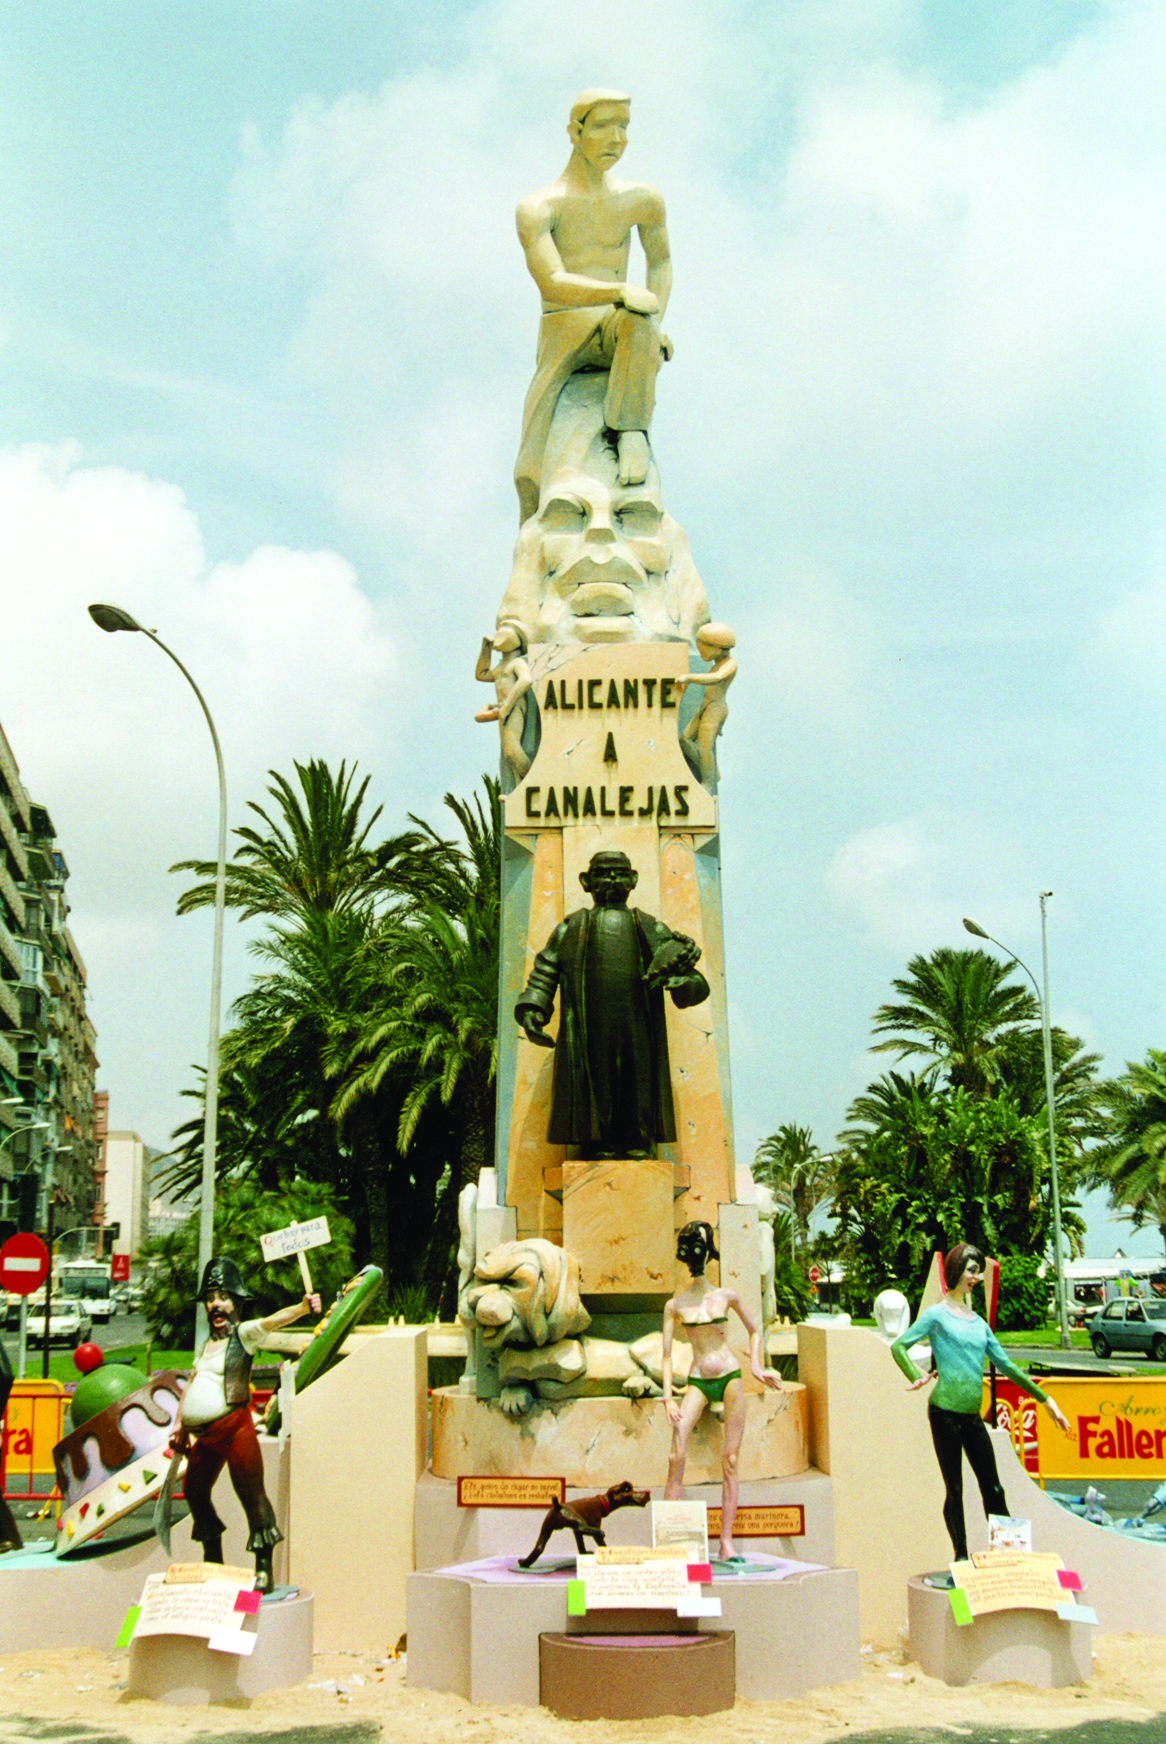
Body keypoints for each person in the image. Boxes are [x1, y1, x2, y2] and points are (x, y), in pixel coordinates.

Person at [515, 90, 672, 522]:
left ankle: (631, 428)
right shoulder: (539, 207)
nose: (616, 138)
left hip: (617, 324)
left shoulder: (641, 199)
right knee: (530, 471)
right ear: (576, 131)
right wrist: (620, 292)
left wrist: (653, 322)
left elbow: (661, 262)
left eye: (624, 126)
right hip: (565, 331)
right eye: (603, 125)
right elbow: (553, 281)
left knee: (638, 322)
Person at [515, 848, 709, 1158]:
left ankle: (636, 1141)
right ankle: (598, 1143)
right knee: (597, 1079)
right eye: (603, 873)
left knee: (637, 1079)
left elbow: (690, 977)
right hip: (588, 1024)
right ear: (585, 881)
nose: (613, 879)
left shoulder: (651, 927)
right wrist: (534, 1008)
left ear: (634, 879)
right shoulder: (571, 927)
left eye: (620, 873)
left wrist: (684, 984)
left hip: (638, 1022)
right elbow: (546, 969)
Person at [891, 1243, 1070, 1565]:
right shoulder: (936, 1315)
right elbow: (900, 1346)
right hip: (944, 1413)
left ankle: (1010, 1556)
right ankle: (960, 1556)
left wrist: (1046, 1398)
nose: (976, 1278)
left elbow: (1008, 1366)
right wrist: (915, 1375)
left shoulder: (978, 1324)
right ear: (956, 1270)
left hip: (972, 1418)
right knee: (955, 1489)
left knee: (994, 1488)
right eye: (971, 1271)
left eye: (979, 1272)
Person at [176, 1256, 320, 1591]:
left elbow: (272, 1321)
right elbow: (194, 1382)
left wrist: (302, 1308)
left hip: (235, 1429)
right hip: (205, 1438)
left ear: (236, 1303)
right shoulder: (206, 1345)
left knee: (252, 1496)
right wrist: (181, 1430)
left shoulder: (243, 1334)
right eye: (210, 1298)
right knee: (194, 1492)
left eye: (223, 1297)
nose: (216, 1304)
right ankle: (213, 1558)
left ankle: (263, 1568)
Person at [662, 1221, 782, 1562]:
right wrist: (668, 1397)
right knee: (676, 1453)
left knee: (730, 1459)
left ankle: (726, 1543)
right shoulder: (675, 1305)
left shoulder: (726, 1296)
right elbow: (667, 1354)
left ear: (709, 1251)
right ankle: (670, 1542)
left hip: (729, 1376)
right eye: (690, 1246)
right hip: (698, 1380)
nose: (695, 1253)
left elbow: (754, 1329)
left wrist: (756, 1366)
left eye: (700, 1245)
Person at [679, 622, 737, 785]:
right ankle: (711, 770)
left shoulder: (729, 664)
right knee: (685, 739)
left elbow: (716, 678)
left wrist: (690, 677)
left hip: (715, 709)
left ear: (717, 647)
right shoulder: (717, 663)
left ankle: (708, 782)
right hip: (706, 707)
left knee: (704, 748)